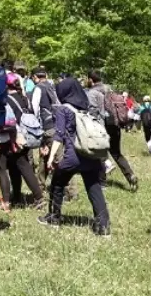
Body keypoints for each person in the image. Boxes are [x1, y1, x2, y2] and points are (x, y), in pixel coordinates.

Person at [40, 76, 111, 235]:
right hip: (90, 154)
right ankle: (104, 226)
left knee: (57, 184)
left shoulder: (63, 109)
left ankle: (54, 217)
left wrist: (51, 158)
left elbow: (58, 136)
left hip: (73, 156)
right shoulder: (86, 107)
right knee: (94, 188)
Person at [0, 73, 45, 209]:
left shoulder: (6, 99)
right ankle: (27, 196)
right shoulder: (24, 98)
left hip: (12, 136)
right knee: (20, 166)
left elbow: (8, 120)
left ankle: (8, 201)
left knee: (3, 166)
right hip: (26, 135)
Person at [86, 70, 138, 191]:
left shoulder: (92, 92)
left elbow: (93, 111)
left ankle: (102, 183)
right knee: (116, 153)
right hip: (115, 125)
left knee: (99, 154)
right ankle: (130, 175)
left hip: (101, 127)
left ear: (90, 79)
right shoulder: (109, 89)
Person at [30, 67, 60, 183]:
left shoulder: (38, 88)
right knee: (45, 155)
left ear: (35, 77)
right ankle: (40, 184)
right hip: (57, 123)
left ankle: (70, 191)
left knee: (57, 157)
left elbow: (34, 108)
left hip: (46, 125)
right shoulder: (52, 86)